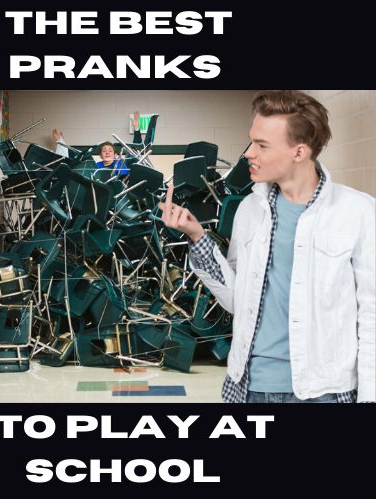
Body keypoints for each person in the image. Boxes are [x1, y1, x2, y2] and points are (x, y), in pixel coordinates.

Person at [160, 90, 375, 403]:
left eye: (262, 145)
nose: (248, 153)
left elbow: (371, 319)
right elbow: (238, 299)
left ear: (299, 152)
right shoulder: (249, 210)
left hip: (323, 393)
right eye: (252, 141)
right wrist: (195, 236)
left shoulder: (358, 212)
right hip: (251, 388)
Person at [52, 111, 143, 175]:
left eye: (110, 151)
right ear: (100, 156)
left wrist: (136, 129)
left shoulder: (121, 166)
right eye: (104, 151)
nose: (107, 152)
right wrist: (60, 142)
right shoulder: (95, 166)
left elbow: (136, 151)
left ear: (115, 155)